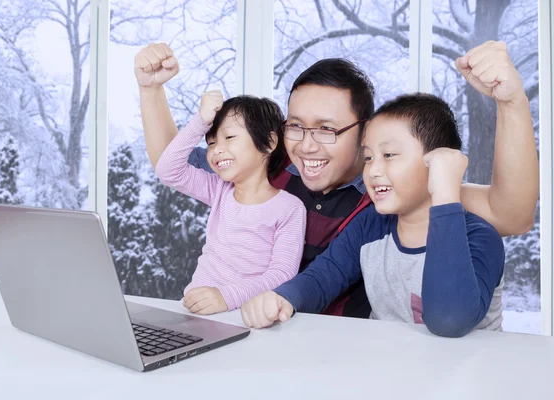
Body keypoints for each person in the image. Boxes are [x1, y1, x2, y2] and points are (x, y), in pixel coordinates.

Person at [134, 40, 538, 318]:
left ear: (364, 132)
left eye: (326, 129)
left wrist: (511, 102)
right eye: (295, 126)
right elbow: (172, 162)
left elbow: (513, 214)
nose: (307, 146)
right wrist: (151, 91)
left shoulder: (390, 194)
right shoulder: (265, 174)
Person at [240, 93, 504, 338]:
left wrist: (446, 193)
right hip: (385, 373)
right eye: (368, 157)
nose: (373, 170)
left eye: (389, 155)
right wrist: (282, 298)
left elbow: (449, 320)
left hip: (466, 378)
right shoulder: (371, 225)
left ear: (437, 162)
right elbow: (324, 276)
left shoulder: (480, 238)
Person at [155, 90, 306, 315]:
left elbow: (282, 275)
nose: (216, 150)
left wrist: (227, 297)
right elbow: (167, 169)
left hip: (249, 318)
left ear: (269, 142)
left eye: (229, 137)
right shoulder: (218, 190)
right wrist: (200, 122)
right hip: (196, 311)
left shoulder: (290, 208)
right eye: (211, 142)